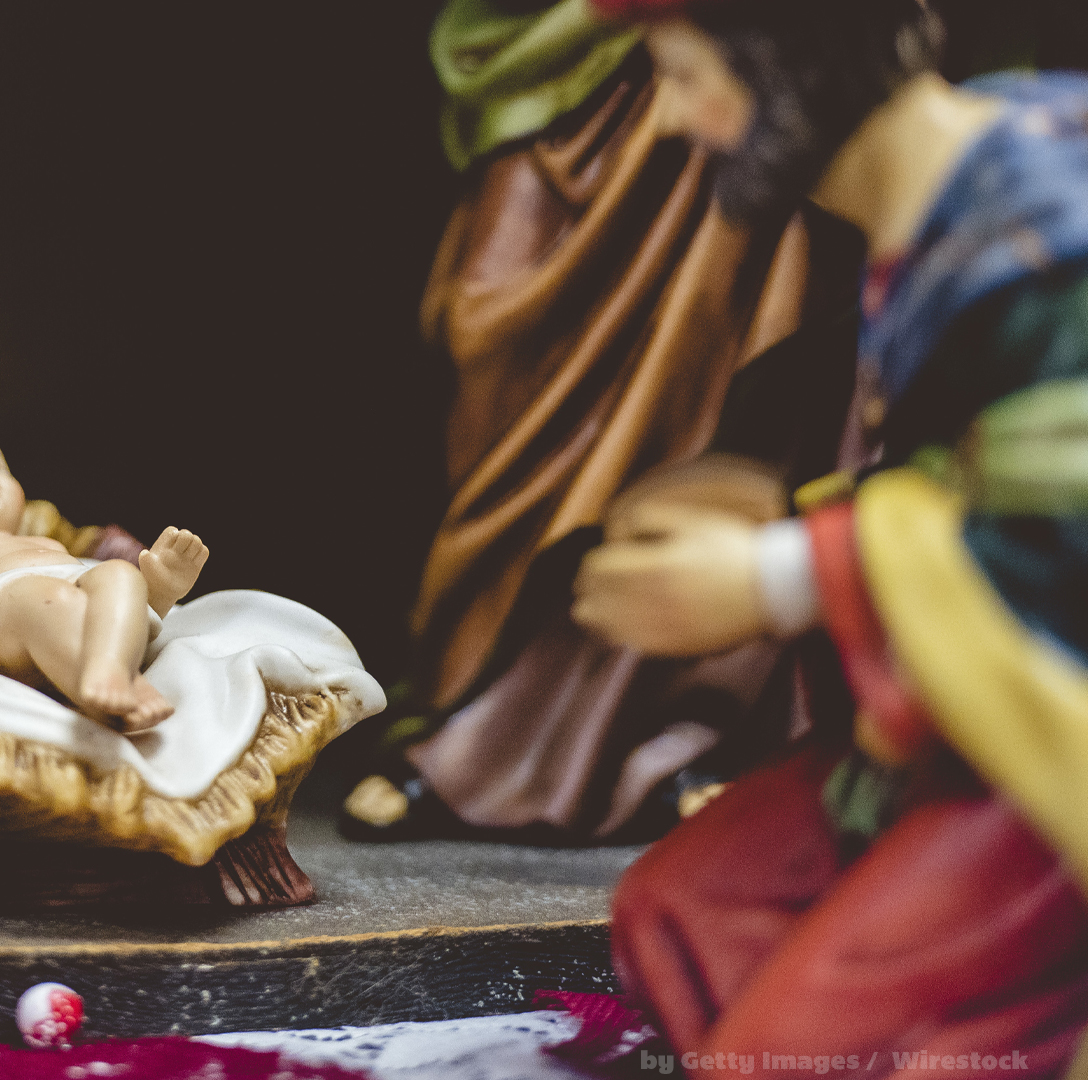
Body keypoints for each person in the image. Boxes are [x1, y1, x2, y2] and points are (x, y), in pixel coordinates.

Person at [571, 0, 1088, 1071]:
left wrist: (784, 576)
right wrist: (780, 510)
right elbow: (967, 475)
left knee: (795, 1042)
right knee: (681, 910)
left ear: (788, 60)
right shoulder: (934, 213)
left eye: (681, 74)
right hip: (964, 732)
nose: (671, 122)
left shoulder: (1044, 243)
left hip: (1054, 767)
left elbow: (1059, 536)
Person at [344, 0, 862, 842]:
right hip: (563, 61)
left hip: (718, 62)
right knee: (496, 354)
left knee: (708, 382)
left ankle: (687, 733)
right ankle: (466, 730)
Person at [0, 420, 208, 731]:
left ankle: (110, 665)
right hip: (8, 615)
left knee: (121, 574)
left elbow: (114, 610)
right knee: (55, 602)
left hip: (77, 588)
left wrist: (161, 588)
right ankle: (110, 686)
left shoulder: (47, 542)